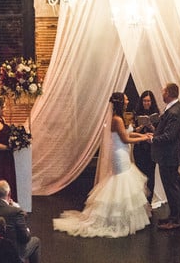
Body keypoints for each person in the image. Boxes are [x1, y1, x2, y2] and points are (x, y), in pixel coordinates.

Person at [54, 92, 152, 237]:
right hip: (119, 154)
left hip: (123, 153)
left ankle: (121, 217)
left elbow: (128, 133)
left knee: (124, 181)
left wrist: (144, 135)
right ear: (120, 102)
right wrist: (144, 139)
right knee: (120, 182)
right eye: (125, 99)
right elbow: (125, 139)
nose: (128, 100)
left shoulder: (120, 119)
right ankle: (114, 219)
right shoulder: (117, 119)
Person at [148, 82, 180, 230]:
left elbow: (169, 136)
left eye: (163, 91)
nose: (162, 93)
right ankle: (173, 216)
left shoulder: (175, 111)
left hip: (169, 156)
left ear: (169, 94)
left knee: (172, 188)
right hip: (167, 156)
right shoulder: (173, 108)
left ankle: (177, 220)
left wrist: (153, 139)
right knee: (170, 188)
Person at [0, 181, 40, 263]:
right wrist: (18, 208)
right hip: (12, 253)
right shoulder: (16, 211)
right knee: (36, 241)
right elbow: (24, 238)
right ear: (9, 194)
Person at [132, 90, 160, 203]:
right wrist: (142, 125)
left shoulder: (156, 114)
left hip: (151, 147)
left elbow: (159, 132)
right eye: (144, 101)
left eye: (148, 101)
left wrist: (151, 126)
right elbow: (133, 130)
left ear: (152, 102)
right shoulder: (136, 112)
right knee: (140, 172)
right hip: (140, 146)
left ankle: (150, 197)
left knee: (151, 173)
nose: (146, 103)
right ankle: (141, 198)